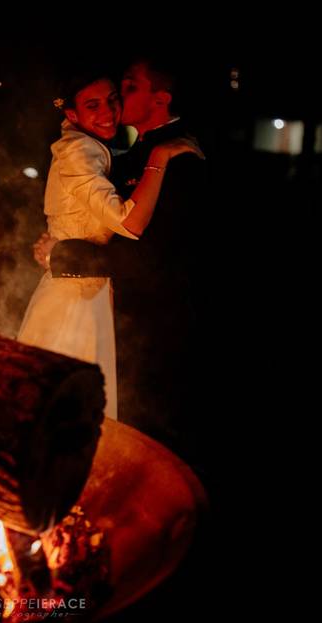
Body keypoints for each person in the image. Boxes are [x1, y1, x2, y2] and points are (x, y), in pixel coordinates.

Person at [42, 59, 213, 462]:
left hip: (156, 329)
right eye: (98, 102)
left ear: (160, 98)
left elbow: (160, 257)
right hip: (113, 315)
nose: (114, 105)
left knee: (147, 436)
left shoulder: (181, 155)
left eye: (126, 90)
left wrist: (66, 253)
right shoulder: (129, 150)